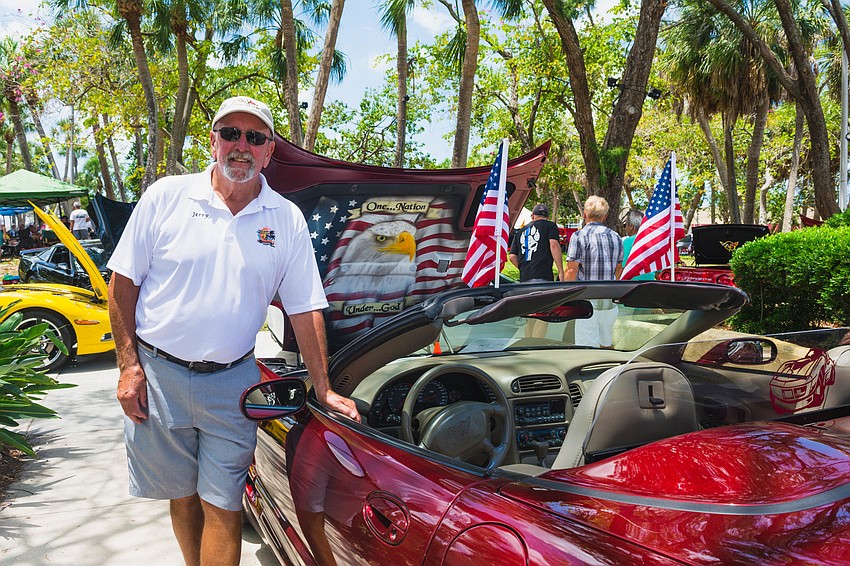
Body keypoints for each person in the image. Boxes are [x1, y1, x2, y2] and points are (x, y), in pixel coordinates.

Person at [107, 95, 361, 566]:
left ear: (268, 152)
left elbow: (305, 308)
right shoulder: (166, 197)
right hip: (158, 377)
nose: (241, 146)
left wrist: (323, 388)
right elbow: (122, 283)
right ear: (213, 141)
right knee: (181, 497)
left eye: (255, 137)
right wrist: (128, 368)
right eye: (231, 133)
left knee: (222, 503)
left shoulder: (285, 218)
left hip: (233, 382)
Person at [565, 196, 623, 348]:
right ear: (605, 216)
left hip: (586, 300)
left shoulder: (579, 236)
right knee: (607, 343)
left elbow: (571, 270)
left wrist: (566, 295)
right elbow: (618, 269)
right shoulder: (616, 237)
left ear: (585, 214)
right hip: (609, 299)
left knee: (586, 347)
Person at [509, 203, 565, 283]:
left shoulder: (520, 232)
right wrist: (561, 271)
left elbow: (512, 256)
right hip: (544, 276)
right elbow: (554, 245)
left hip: (525, 279)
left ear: (532, 216)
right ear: (547, 217)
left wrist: (523, 269)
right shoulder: (550, 226)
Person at [621, 208, 656, 280]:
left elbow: (622, 267)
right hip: (650, 284)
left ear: (631, 226)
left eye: (625, 225)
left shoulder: (627, 241)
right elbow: (658, 272)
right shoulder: (652, 241)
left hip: (632, 285)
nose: (625, 228)